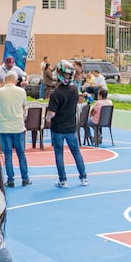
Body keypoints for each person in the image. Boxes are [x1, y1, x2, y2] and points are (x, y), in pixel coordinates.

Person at [46, 60, 88, 188]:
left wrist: (47, 118)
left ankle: (63, 180)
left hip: (58, 128)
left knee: (59, 154)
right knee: (76, 152)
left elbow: (51, 114)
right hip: (71, 127)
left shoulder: (56, 93)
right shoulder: (74, 90)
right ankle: (83, 177)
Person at [0, 72, 30, 188]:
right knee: (21, 153)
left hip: (4, 127)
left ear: (5, 79)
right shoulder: (21, 91)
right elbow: (24, 107)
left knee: (7, 155)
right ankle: (25, 178)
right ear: (15, 80)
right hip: (18, 126)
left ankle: (10, 180)